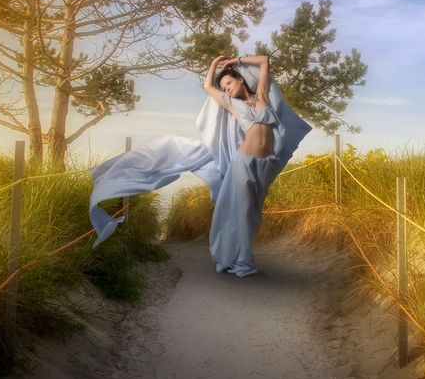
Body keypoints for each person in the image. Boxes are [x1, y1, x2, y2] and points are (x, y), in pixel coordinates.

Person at [87, 55, 312, 277]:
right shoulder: (232, 105)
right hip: (243, 162)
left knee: (253, 214)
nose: (228, 89)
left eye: (230, 83)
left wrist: (237, 60)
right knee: (243, 211)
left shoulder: (262, 96)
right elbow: (208, 86)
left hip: (265, 164)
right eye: (224, 87)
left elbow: (263, 61)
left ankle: (235, 255)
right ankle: (242, 261)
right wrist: (214, 65)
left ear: (240, 79)